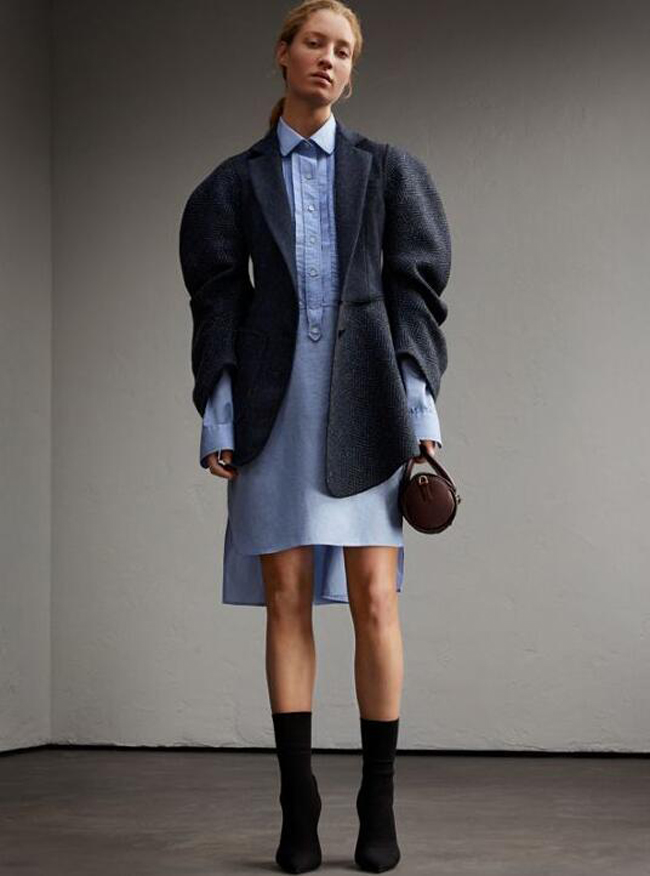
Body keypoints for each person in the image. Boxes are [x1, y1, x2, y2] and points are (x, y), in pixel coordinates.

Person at [179, 2, 452, 871]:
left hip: (369, 405)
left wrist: (422, 418)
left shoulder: (388, 170)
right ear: (283, 53)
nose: (328, 60)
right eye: (314, 43)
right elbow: (217, 303)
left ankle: (379, 800)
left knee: (376, 600)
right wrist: (220, 414)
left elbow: (415, 297)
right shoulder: (234, 183)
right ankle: (298, 804)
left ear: (351, 70)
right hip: (274, 409)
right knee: (287, 600)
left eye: (344, 50)